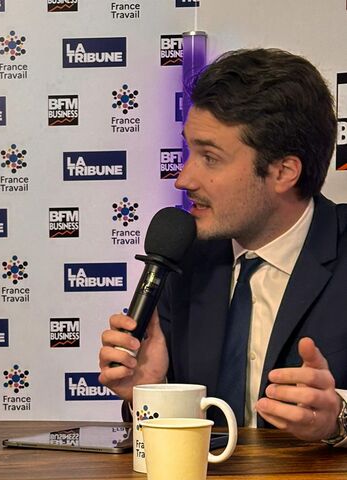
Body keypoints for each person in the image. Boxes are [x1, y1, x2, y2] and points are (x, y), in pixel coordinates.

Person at [99, 48, 347, 446]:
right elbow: (182, 438)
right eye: (189, 152)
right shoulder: (184, 256)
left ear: (284, 171)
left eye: (210, 158)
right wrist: (149, 393)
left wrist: (339, 419)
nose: (183, 179)